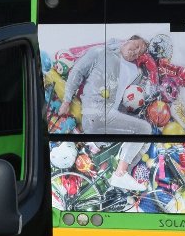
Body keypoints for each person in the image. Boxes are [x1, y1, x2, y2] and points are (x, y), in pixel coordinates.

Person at [61, 35, 158, 190]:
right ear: (127, 40)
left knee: (145, 140)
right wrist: (66, 100)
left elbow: (125, 100)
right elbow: (77, 72)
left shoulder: (135, 72)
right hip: (96, 113)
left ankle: (121, 181)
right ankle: (120, 175)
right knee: (144, 129)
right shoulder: (100, 52)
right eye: (137, 45)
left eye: (140, 53)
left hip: (109, 118)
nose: (136, 52)